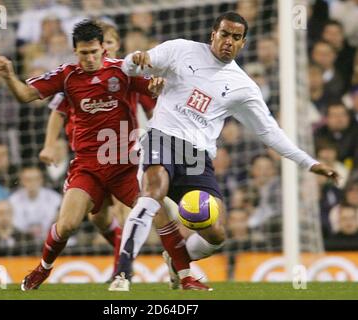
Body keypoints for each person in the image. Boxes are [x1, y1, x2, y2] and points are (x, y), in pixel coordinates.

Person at [109, 11, 339, 292]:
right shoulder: (181, 50)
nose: (229, 41)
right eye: (225, 34)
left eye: (236, 37)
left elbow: (269, 132)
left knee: (216, 234)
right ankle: (122, 272)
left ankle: (176, 260)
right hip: (162, 137)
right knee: (152, 193)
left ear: (243, 43)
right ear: (213, 35)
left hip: (197, 157)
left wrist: (309, 163)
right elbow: (129, 68)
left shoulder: (244, 87)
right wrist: (136, 59)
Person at [0, 20, 166, 291]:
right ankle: (43, 269)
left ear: (105, 49)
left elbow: (156, 91)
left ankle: (155, 271)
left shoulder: (123, 70)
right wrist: (8, 77)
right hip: (87, 166)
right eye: (84, 53)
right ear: (75, 52)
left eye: (95, 51)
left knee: (151, 211)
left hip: (124, 162)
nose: (89, 58)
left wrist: (158, 85)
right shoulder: (68, 76)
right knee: (70, 224)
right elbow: (31, 97)